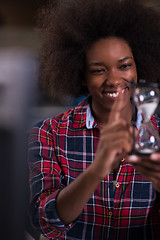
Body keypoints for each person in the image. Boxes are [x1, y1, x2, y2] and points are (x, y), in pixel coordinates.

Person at [28, 0, 160, 239]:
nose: (114, 80)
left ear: (138, 66)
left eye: (125, 66)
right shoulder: (50, 132)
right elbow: (43, 220)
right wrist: (96, 170)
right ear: (81, 76)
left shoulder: (157, 134)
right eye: (99, 70)